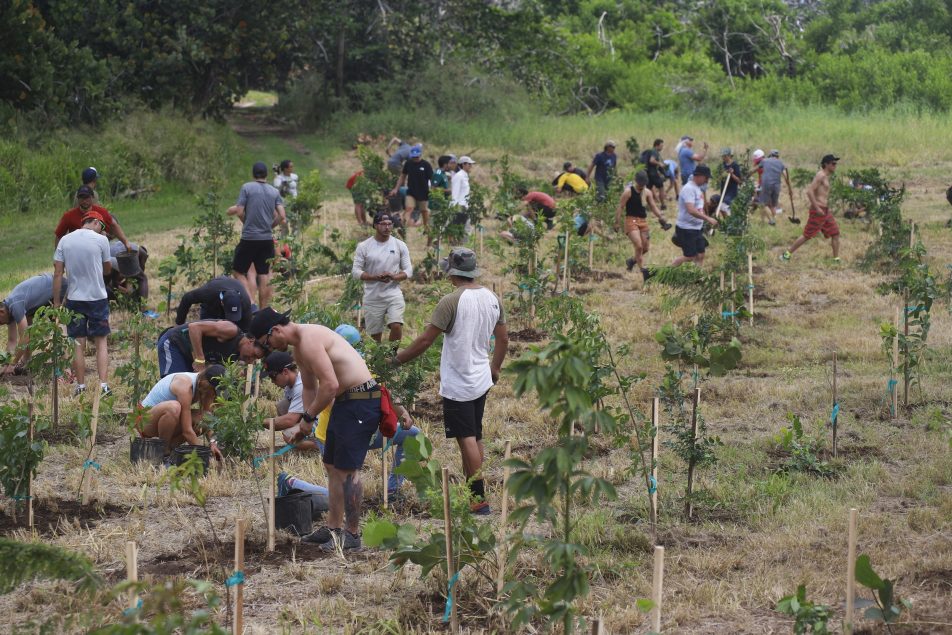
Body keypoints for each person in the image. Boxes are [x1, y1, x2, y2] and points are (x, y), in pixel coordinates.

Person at [249, 308, 381, 552]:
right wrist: (304, 423)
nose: (268, 348)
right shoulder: (300, 348)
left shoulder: (309, 340)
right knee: (331, 465)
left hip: (361, 401)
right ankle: (333, 528)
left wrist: (308, 418)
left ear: (275, 330)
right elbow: (310, 389)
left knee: (347, 470)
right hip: (345, 403)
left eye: (266, 342)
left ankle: (352, 534)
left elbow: (330, 385)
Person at [395, 248, 508, 515]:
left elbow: (425, 340)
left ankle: (478, 499)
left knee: (466, 437)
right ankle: (474, 494)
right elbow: (503, 339)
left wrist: (397, 360)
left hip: (459, 381)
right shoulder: (492, 298)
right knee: (475, 435)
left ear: (452, 272)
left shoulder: (451, 301)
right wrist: (495, 368)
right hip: (481, 377)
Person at [263, 333, 420, 496]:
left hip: (366, 431)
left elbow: (384, 391)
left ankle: (393, 489)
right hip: (337, 436)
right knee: (343, 495)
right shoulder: (332, 376)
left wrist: (403, 413)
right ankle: (292, 483)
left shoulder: (366, 369)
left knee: (412, 434)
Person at [52, 211, 113, 396]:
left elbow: (57, 273)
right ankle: (103, 385)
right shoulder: (102, 241)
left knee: (77, 343)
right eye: (101, 227)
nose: (102, 232)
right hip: (97, 298)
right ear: (96, 222)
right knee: (101, 342)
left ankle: (80, 386)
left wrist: (56, 302)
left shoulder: (65, 240)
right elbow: (108, 269)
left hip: (74, 298)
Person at [227, 161, 287, 309]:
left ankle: (251, 303)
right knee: (264, 274)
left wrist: (246, 223)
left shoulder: (247, 188)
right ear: (266, 175)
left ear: (253, 174)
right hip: (266, 239)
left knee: (238, 271)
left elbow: (239, 211)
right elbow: (282, 215)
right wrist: (270, 226)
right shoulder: (274, 191)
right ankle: (263, 309)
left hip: (249, 238)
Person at [138, 365, 226, 460]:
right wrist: (203, 456)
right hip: (144, 421)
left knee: (203, 419)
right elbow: (187, 431)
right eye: (212, 390)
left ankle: (171, 448)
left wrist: (213, 443)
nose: (213, 394)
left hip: (162, 422)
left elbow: (209, 420)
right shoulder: (185, 385)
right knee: (174, 408)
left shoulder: (206, 388)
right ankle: (164, 452)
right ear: (203, 383)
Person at [351, 212, 413, 342]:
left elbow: (408, 270)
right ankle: (378, 359)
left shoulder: (399, 245)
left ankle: (392, 355)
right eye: (383, 224)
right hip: (372, 296)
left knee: (396, 325)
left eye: (390, 224)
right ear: (375, 225)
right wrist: (375, 277)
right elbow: (356, 272)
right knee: (375, 336)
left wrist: (394, 277)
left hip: (393, 293)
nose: (387, 227)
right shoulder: (364, 246)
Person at [0, 273, 68, 375]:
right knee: (29, 326)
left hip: (58, 287)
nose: (1, 324)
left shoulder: (15, 305)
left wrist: (13, 364)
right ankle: (27, 361)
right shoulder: (8, 311)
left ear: (1, 312)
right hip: (43, 297)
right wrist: (6, 364)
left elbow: (25, 337)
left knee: (58, 329)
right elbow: (11, 340)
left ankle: (66, 369)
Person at [782, 155, 842, 263]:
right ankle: (786, 254)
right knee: (807, 235)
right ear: (826, 164)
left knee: (835, 233)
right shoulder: (821, 175)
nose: (835, 166)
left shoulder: (825, 176)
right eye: (833, 163)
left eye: (835, 163)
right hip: (818, 211)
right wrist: (817, 207)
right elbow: (809, 191)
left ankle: (836, 259)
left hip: (825, 211)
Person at [156, 319, 261, 377]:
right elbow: (194, 327)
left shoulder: (235, 355)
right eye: (254, 355)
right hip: (174, 343)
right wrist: (200, 359)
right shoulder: (231, 330)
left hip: (189, 355)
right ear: (250, 341)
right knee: (173, 390)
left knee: (189, 391)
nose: (251, 360)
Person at [616, 172, 670, 280]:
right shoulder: (628, 192)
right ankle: (643, 270)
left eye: (643, 184)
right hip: (631, 220)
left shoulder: (647, 192)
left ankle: (631, 261)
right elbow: (621, 207)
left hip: (643, 221)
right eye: (640, 183)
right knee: (639, 246)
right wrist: (617, 222)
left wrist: (661, 217)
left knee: (645, 248)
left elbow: (653, 206)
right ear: (636, 181)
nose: (641, 186)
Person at [55, 186, 132, 252]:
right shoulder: (68, 216)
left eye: (87, 197)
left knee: (134, 250)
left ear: (92, 197)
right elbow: (59, 236)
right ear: (78, 199)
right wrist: (57, 256)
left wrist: (126, 242)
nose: (84, 201)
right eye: (81, 198)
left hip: (100, 251)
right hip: (79, 252)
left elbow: (114, 225)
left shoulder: (102, 212)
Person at [672, 165, 718, 268]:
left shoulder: (697, 189)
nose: (707, 181)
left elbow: (698, 207)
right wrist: (708, 218)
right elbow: (691, 210)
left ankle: (697, 276)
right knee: (690, 256)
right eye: (706, 178)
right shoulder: (689, 189)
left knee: (701, 254)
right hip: (686, 229)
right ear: (700, 176)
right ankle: (669, 269)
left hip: (696, 228)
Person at [175, 276, 252, 331]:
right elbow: (186, 298)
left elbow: (246, 330)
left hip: (232, 294)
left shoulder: (245, 303)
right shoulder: (208, 293)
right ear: (222, 303)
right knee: (207, 332)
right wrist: (179, 324)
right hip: (211, 306)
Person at [391, 145, 433, 231]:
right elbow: (402, 176)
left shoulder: (426, 165)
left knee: (424, 211)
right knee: (409, 208)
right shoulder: (408, 163)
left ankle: (426, 227)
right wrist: (396, 188)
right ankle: (403, 227)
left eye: (417, 157)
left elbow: (431, 179)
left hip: (423, 193)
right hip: (411, 192)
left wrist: (433, 191)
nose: (415, 158)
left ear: (420, 155)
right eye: (414, 157)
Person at [758, 150, 786, 225]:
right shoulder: (780, 163)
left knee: (762, 204)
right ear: (777, 156)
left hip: (766, 184)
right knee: (773, 205)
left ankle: (771, 220)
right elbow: (785, 175)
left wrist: (748, 174)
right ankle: (772, 221)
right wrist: (789, 187)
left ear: (770, 155)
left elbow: (756, 169)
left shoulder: (765, 161)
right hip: (777, 185)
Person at [450, 156, 476, 234]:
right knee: (458, 227)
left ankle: (464, 244)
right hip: (460, 206)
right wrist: (454, 207)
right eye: (469, 164)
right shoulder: (459, 176)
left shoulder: (464, 176)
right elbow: (455, 193)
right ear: (463, 165)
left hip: (465, 205)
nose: (471, 166)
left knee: (466, 227)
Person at [642, 139, 667, 207]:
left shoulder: (651, 151)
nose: (662, 147)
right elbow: (651, 160)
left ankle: (648, 206)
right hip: (653, 173)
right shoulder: (654, 152)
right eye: (661, 146)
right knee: (661, 187)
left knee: (648, 189)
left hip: (647, 173)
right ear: (657, 145)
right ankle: (663, 204)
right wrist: (660, 163)